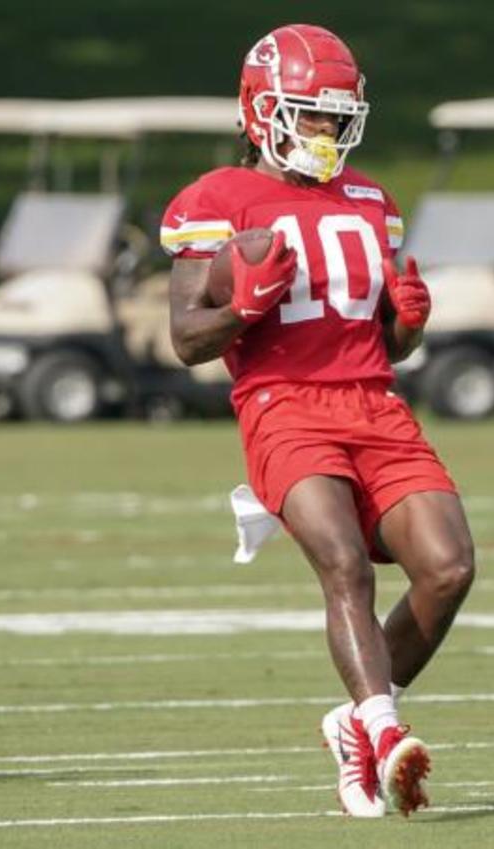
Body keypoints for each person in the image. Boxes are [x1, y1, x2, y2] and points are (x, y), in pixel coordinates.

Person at [161, 23, 475, 817]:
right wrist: (240, 309)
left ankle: (355, 719)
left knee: (448, 567)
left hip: (375, 402)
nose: (325, 128)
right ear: (261, 110)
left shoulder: (371, 200)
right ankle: (383, 731)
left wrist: (408, 326)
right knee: (345, 565)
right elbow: (187, 340)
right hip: (284, 404)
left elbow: (383, 342)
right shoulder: (216, 200)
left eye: (336, 115)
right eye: (308, 112)